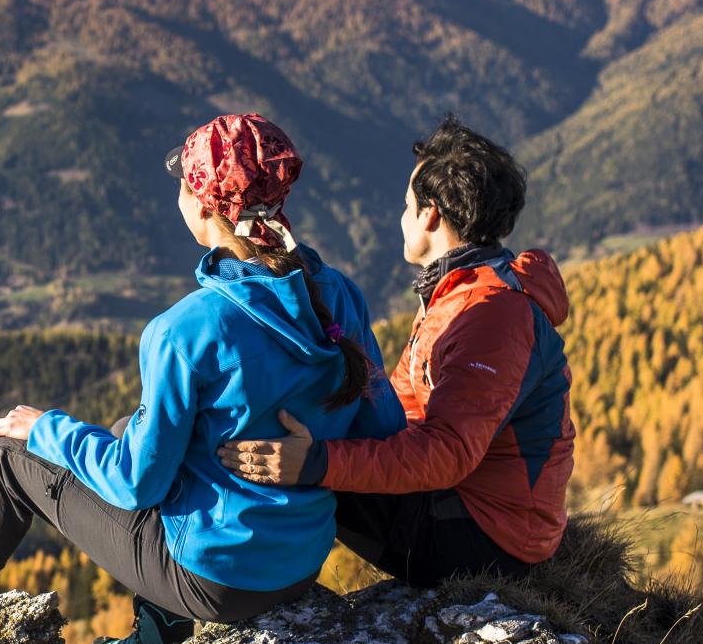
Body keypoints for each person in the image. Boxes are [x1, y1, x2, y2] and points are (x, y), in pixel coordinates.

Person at [0, 113, 403, 644]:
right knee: (123, 428)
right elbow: (383, 430)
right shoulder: (336, 295)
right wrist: (312, 459)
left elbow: (137, 484)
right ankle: (155, 631)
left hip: (216, 578)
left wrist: (45, 428)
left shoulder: (185, 330)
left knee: (5, 459)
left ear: (204, 205)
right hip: (298, 560)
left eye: (184, 183)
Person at [218, 116, 574, 587]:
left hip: (487, 542)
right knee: (287, 437)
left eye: (406, 205)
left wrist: (317, 461)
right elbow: (402, 404)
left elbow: (448, 451)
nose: (400, 216)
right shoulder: (459, 292)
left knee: (270, 449)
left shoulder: (490, 315)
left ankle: (242, 589)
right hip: (471, 510)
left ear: (430, 215)